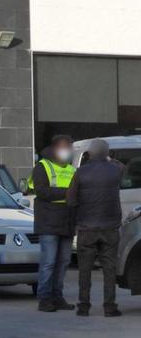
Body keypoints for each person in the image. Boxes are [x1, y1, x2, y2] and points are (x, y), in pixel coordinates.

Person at [67, 139, 124, 317]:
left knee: (84, 269)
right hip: (110, 228)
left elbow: (71, 200)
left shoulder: (80, 173)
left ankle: (83, 306)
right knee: (109, 268)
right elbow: (122, 166)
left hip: (86, 228)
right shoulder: (115, 170)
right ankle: (110, 307)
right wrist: (108, 159)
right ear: (106, 154)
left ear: (90, 154)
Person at [30, 135, 77, 313]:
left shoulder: (72, 170)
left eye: (69, 147)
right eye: (65, 147)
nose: (68, 150)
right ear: (55, 148)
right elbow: (42, 192)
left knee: (63, 262)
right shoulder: (42, 167)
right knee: (49, 262)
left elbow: (78, 193)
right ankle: (44, 298)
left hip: (67, 221)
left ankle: (57, 297)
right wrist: (68, 193)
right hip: (48, 222)